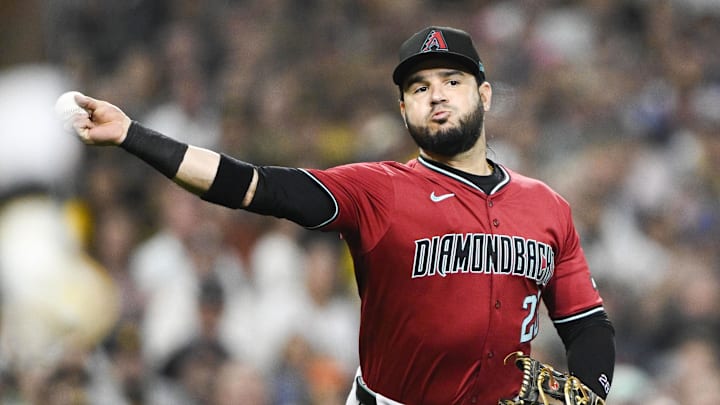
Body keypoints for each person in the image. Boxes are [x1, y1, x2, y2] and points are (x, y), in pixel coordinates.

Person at [69, 26, 615, 405]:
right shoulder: (378, 191)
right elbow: (252, 187)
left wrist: (591, 393)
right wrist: (133, 136)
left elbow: (586, 323)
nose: (437, 96)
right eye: (419, 88)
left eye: (453, 80)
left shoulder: (546, 207)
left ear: (486, 95)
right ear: (404, 110)